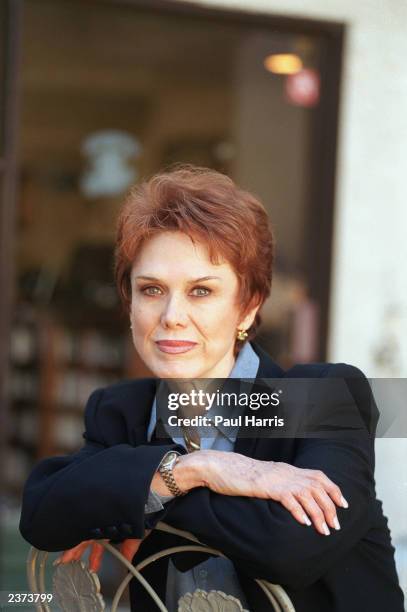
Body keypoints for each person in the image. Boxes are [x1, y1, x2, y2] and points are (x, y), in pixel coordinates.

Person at [19, 166, 404, 611]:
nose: (171, 315)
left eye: (201, 291)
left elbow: (290, 549)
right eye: (151, 289)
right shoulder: (121, 411)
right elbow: (43, 511)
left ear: (248, 307)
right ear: (130, 303)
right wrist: (197, 468)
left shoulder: (325, 395)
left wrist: (133, 495)